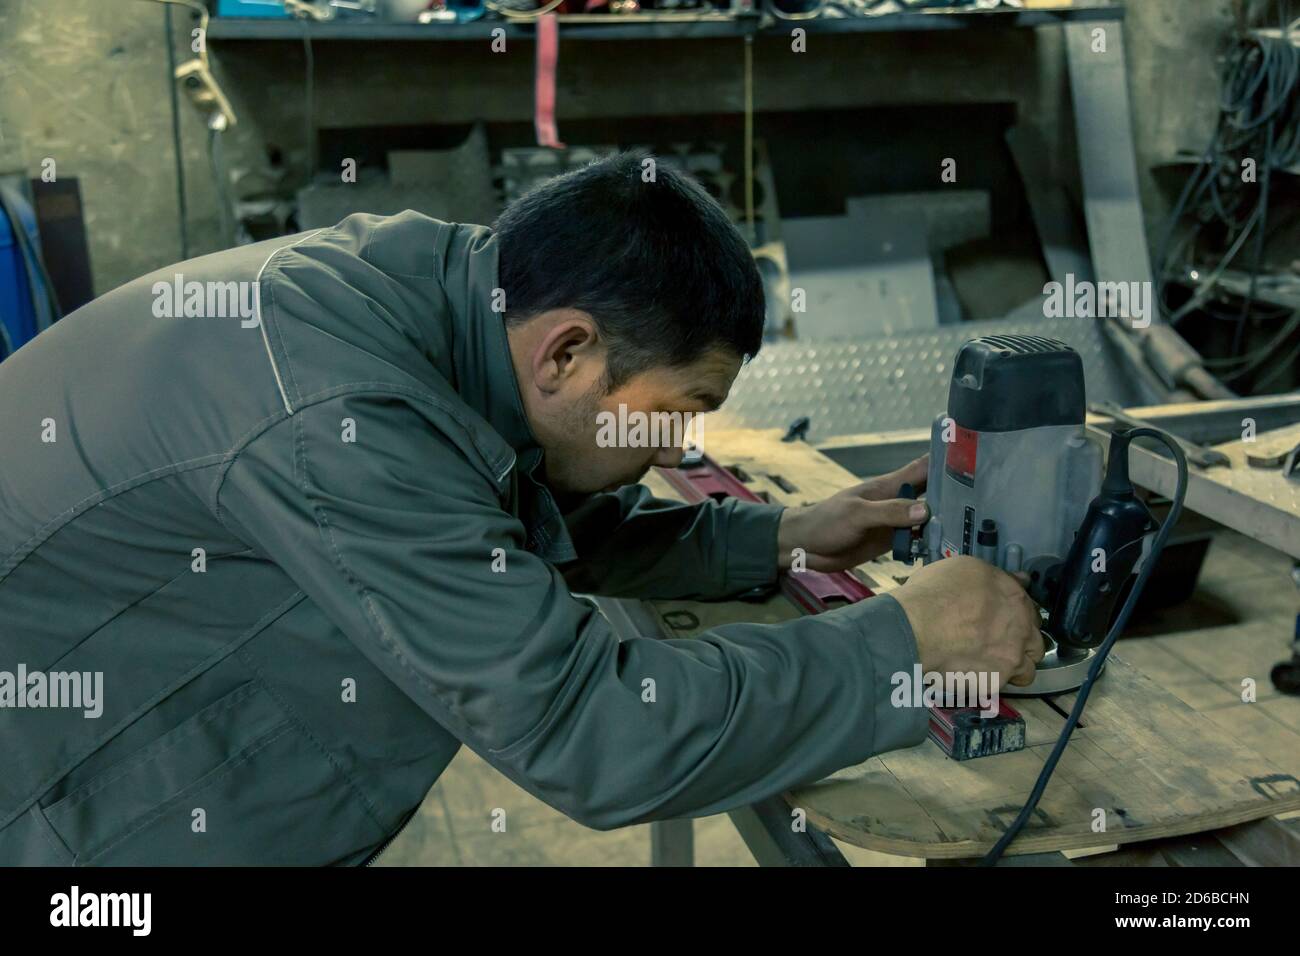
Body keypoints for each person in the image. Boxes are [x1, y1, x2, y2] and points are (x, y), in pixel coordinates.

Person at [0, 152, 1042, 865]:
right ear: (568, 350)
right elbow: (592, 732)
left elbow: (486, 523)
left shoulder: (427, 297)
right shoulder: (339, 414)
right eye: (682, 411)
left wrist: (772, 533)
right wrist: (904, 644)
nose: (680, 448)